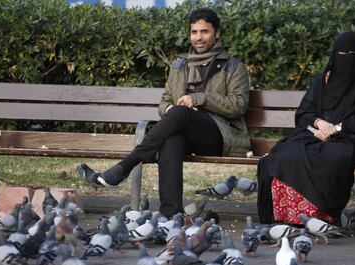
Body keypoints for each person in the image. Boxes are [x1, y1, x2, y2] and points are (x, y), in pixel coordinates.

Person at [81, 8, 250, 218]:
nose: (198, 37)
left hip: (219, 135)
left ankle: (125, 166)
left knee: (181, 113)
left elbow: (239, 105)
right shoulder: (180, 65)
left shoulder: (233, 66)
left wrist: (199, 99)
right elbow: (164, 102)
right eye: (194, 32)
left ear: (217, 33)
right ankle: (171, 215)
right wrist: (168, 109)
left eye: (204, 32)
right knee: (171, 141)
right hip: (184, 128)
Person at [257, 32, 355, 226]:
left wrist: (337, 128)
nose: (347, 58)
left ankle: (321, 216)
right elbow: (304, 112)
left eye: (353, 53)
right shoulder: (322, 81)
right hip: (313, 134)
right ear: (335, 54)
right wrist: (320, 123)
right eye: (343, 53)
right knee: (286, 153)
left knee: (334, 157)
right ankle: (288, 215)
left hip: (348, 138)